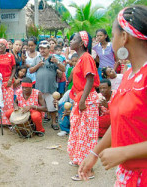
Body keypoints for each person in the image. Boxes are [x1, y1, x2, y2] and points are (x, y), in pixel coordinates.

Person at [78, 6, 147, 185]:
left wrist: (123, 152)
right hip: (127, 175)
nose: (112, 39)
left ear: (124, 37)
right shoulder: (129, 76)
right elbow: (118, 122)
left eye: (113, 34)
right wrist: (94, 154)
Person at [67, 31, 100, 180]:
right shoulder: (81, 58)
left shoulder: (86, 57)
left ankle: (88, 170)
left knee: (86, 135)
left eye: (73, 39)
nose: (70, 41)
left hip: (86, 100)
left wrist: (82, 101)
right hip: (82, 98)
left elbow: (90, 80)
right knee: (80, 132)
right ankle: (81, 161)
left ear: (81, 43)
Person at [29, 40, 66, 130]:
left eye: (44, 48)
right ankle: (38, 123)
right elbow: (30, 70)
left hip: (50, 87)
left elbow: (63, 69)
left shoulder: (54, 58)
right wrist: (38, 65)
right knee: (39, 106)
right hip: (39, 88)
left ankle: (53, 122)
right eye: (41, 48)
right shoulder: (37, 59)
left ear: (49, 49)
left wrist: (56, 62)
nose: (42, 50)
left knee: (52, 106)